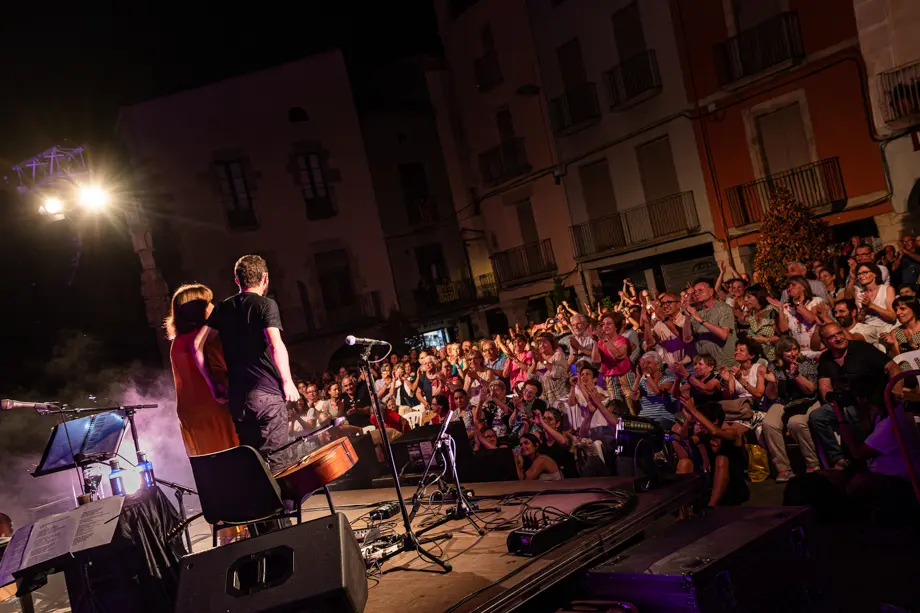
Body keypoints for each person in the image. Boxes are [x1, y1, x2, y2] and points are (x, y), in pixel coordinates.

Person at [193, 255, 301, 471]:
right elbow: (276, 344)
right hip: (267, 395)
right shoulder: (266, 304)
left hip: (238, 399)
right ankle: (281, 494)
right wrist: (288, 381)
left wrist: (213, 385)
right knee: (278, 464)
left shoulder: (223, 308)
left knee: (254, 466)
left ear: (237, 281)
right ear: (265, 278)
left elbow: (197, 345)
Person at [808, 323, 903, 470]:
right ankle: (839, 459)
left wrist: (895, 391)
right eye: (832, 337)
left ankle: (862, 461)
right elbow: (824, 386)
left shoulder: (862, 348)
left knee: (853, 414)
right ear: (824, 342)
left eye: (839, 333)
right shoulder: (826, 358)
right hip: (841, 401)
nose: (838, 338)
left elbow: (893, 367)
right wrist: (833, 401)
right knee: (817, 416)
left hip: (869, 401)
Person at [166, 283, 240, 457]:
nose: (213, 306)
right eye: (208, 302)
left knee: (210, 462)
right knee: (233, 457)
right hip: (214, 407)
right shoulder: (203, 336)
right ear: (197, 309)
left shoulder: (177, 342)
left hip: (191, 412)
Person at [761, 336, 822, 481]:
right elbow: (771, 396)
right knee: (769, 423)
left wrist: (796, 375)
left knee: (796, 423)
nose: (793, 353)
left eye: (795, 349)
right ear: (780, 353)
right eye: (788, 351)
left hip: (806, 401)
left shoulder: (806, 363)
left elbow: (811, 390)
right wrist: (771, 383)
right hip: (783, 402)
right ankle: (783, 469)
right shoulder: (774, 366)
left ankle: (813, 464)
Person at [684, 278, 737, 367]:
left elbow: (723, 335)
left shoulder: (723, 308)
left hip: (725, 364)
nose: (697, 293)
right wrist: (688, 316)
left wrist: (700, 320)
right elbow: (687, 338)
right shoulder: (697, 312)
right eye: (695, 292)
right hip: (706, 366)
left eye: (701, 290)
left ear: (711, 291)